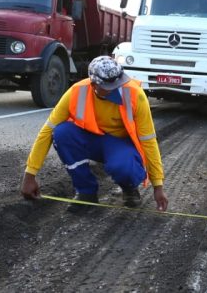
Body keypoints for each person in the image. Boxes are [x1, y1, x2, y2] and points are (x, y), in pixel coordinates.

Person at [20, 56, 169, 213]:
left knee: (123, 168)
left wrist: (158, 186)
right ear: (93, 85)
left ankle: (129, 187)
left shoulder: (135, 95)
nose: (115, 88)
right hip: (92, 141)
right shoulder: (76, 92)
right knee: (61, 133)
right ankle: (86, 192)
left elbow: (149, 141)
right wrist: (29, 175)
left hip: (120, 144)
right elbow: (46, 132)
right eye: (108, 85)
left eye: (118, 83)